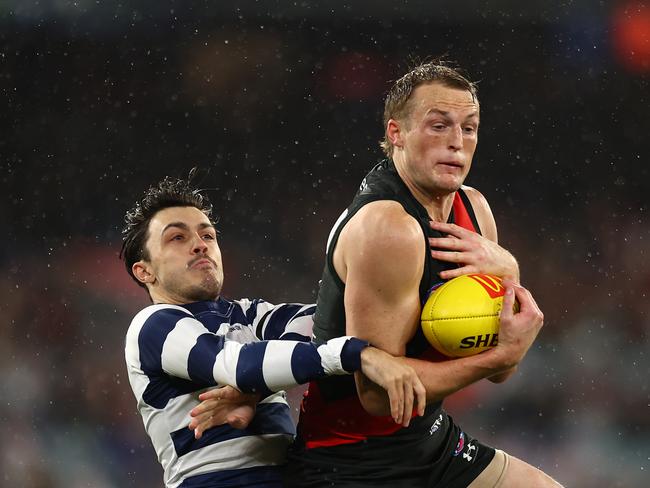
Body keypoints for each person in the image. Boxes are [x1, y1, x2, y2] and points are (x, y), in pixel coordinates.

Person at [282, 62, 563, 487]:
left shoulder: (475, 210)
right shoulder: (388, 228)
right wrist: (501, 356)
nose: (456, 143)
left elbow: (499, 370)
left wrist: (511, 273)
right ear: (396, 133)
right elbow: (378, 397)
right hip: (352, 463)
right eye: (438, 126)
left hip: (431, 442)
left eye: (469, 129)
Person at [120, 175, 426, 488]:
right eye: (177, 238)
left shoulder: (248, 314)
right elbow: (235, 365)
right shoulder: (152, 327)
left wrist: (256, 388)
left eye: (208, 235)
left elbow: (322, 321)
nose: (200, 245)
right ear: (144, 271)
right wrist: (355, 353)